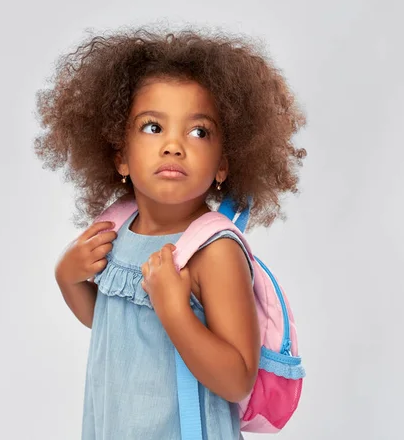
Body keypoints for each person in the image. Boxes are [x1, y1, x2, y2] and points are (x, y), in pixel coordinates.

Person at [34, 27, 306, 439]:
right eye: (152, 127)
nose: (173, 146)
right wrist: (67, 278)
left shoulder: (214, 251)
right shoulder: (117, 229)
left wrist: (176, 312)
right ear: (121, 157)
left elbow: (237, 380)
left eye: (198, 132)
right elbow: (116, 330)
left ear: (223, 166)